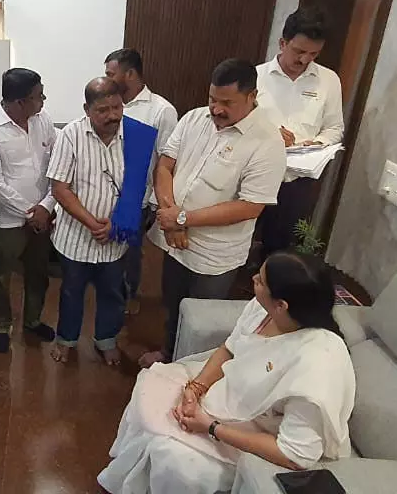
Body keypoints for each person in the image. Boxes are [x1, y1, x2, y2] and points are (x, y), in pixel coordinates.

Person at [99, 252, 355, 493]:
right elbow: (230, 349)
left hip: (261, 435)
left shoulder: (316, 369)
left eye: (261, 281)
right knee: (150, 391)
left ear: (281, 305)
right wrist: (196, 388)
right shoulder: (264, 309)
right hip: (229, 396)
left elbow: (293, 455)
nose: (253, 279)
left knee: (166, 451)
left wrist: (210, 427)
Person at [139, 59, 286, 368]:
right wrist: (172, 217)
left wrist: (183, 219)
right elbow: (165, 165)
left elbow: (250, 206)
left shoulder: (267, 142)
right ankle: (168, 355)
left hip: (213, 255)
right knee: (172, 303)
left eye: (227, 103)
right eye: (212, 99)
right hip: (174, 240)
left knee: (202, 320)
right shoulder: (194, 118)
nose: (216, 109)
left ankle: (192, 372)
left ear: (251, 96)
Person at [48, 78, 156, 366]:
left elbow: (141, 187)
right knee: (71, 292)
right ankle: (66, 339)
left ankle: (106, 339)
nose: (112, 115)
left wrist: (115, 225)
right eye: (103, 110)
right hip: (76, 238)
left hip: (116, 238)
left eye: (117, 107)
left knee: (112, 292)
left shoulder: (136, 136)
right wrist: (92, 223)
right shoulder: (70, 135)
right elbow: (59, 188)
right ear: (87, 110)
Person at [0, 68, 58, 354]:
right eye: (38, 95)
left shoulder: (43, 120)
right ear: (20, 102)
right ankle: (1, 326)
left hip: (43, 214)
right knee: (1, 276)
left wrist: (46, 206)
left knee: (38, 273)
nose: (44, 99)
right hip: (7, 220)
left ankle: (33, 321)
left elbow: (56, 165)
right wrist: (30, 212)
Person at [256, 7, 344, 259]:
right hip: (256, 172)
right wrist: (270, 134)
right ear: (282, 43)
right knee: (240, 237)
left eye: (313, 54)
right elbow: (236, 124)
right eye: (299, 51)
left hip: (297, 180)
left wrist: (316, 143)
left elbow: (335, 128)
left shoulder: (329, 80)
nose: (305, 60)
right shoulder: (256, 76)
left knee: (281, 247)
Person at [104, 48, 178, 314]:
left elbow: (167, 161)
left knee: (130, 253)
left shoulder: (161, 110)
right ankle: (108, 293)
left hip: (138, 198)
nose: (107, 79)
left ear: (130, 74)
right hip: (104, 192)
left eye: (111, 74)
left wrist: (158, 203)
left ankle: (128, 297)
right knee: (107, 247)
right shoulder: (110, 105)